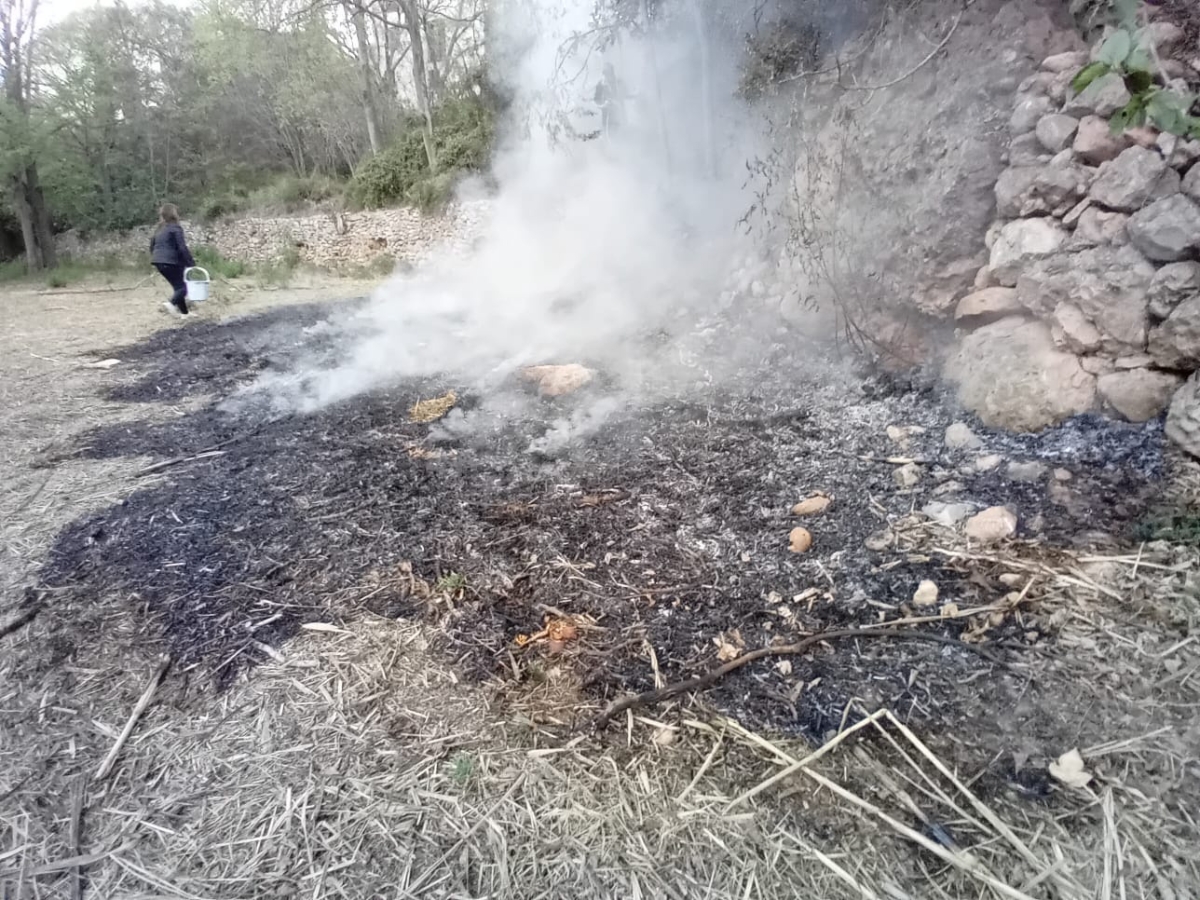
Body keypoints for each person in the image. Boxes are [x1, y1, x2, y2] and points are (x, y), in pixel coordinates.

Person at [149, 203, 196, 317]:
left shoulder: (159, 230)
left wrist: (159, 260)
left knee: (178, 287)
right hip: (170, 261)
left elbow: (152, 247)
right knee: (184, 287)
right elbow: (182, 248)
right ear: (174, 214)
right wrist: (191, 263)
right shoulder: (175, 228)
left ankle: (185, 313)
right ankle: (171, 304)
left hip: (158, 261)